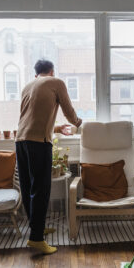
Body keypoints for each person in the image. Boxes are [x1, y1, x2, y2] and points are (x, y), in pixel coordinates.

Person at [15, 59, 82, 254]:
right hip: (38, 143)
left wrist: (56, 127)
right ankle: (36, 239)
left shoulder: (28, 86)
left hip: (21, 141)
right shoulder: (56, 83)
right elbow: (69, 112)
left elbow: (31, 118)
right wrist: (79, 123)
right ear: (52, 72)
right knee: (41, 189)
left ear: (37, 74)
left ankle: (37, 228)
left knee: (28, 187)